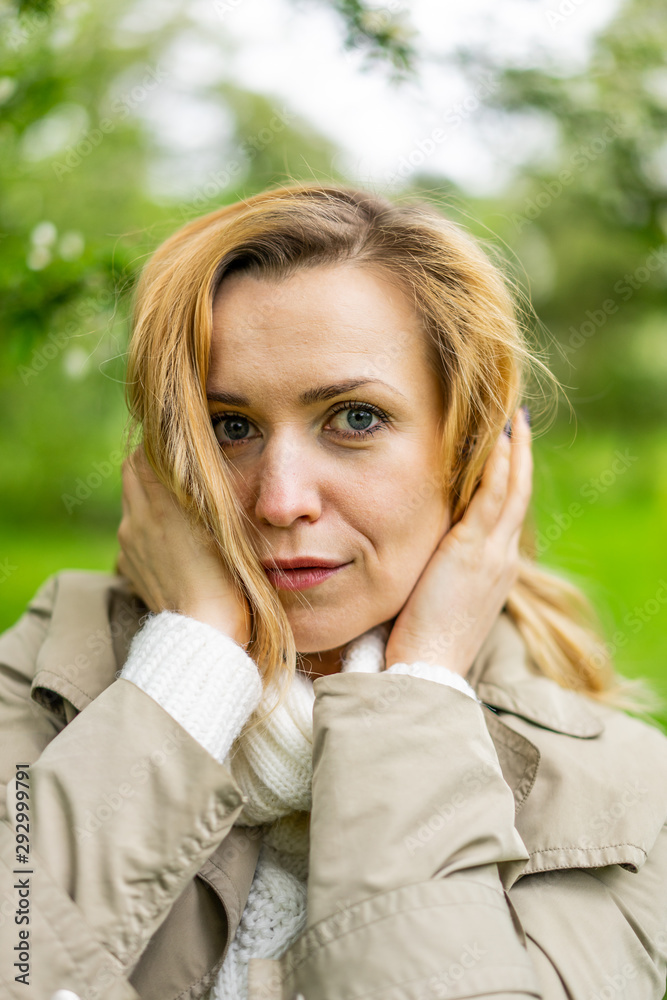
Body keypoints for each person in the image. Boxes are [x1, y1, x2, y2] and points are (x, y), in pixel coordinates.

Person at [1, 182, 667, 1000]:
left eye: (353, 419)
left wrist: (415, 693)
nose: (280, 501)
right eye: (230, 427)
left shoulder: (631, 799)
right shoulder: (42, 675)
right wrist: (191, 663)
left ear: (471, 449)